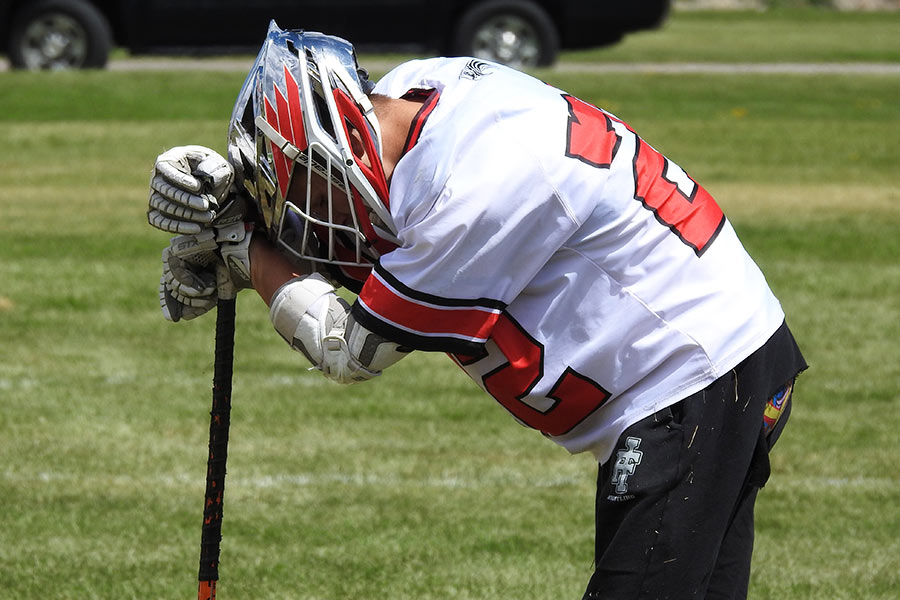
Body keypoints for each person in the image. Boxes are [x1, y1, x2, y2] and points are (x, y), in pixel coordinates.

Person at [147, 22, 806, 599]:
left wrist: (246, 250)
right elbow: (380, 234)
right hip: (711, 365)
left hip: (695, 381)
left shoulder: (472, 188)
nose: (299, 219)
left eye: (298, 189)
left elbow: (347, 348)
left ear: (339, 137)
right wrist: (254, 214)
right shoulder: (420, 98)